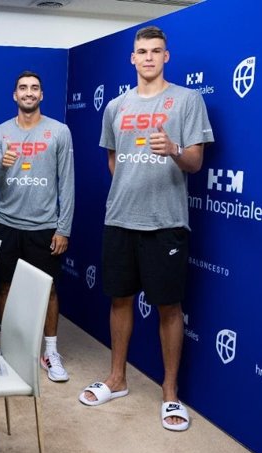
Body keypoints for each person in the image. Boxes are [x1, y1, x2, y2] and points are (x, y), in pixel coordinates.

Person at [79, 26, 214, 432]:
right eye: (142, 51)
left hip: (166, 222)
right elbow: (112, 160)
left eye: (157, 51)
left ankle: (169, 393)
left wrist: (173, 149)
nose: (149, 57)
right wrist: (130, 185)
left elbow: (196, 162)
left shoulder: (187, 100)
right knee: (119, 300)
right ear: (132, 59)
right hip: (120, 219)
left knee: (169, 308)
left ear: (166, 57)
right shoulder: (116, 107)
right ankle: (117, 379)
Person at [0, 70, 75, 382]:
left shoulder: (59, 131)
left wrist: (63, 228)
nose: (28, 93)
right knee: (6, 286)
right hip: (7, 223)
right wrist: (2, 164)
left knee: (48, 290)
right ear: (14, 95)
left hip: (44, 226)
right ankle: (9, 348)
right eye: (23, 88)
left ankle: (50, 352)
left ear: (41, 95)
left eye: (34, 88)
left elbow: (68, 183)